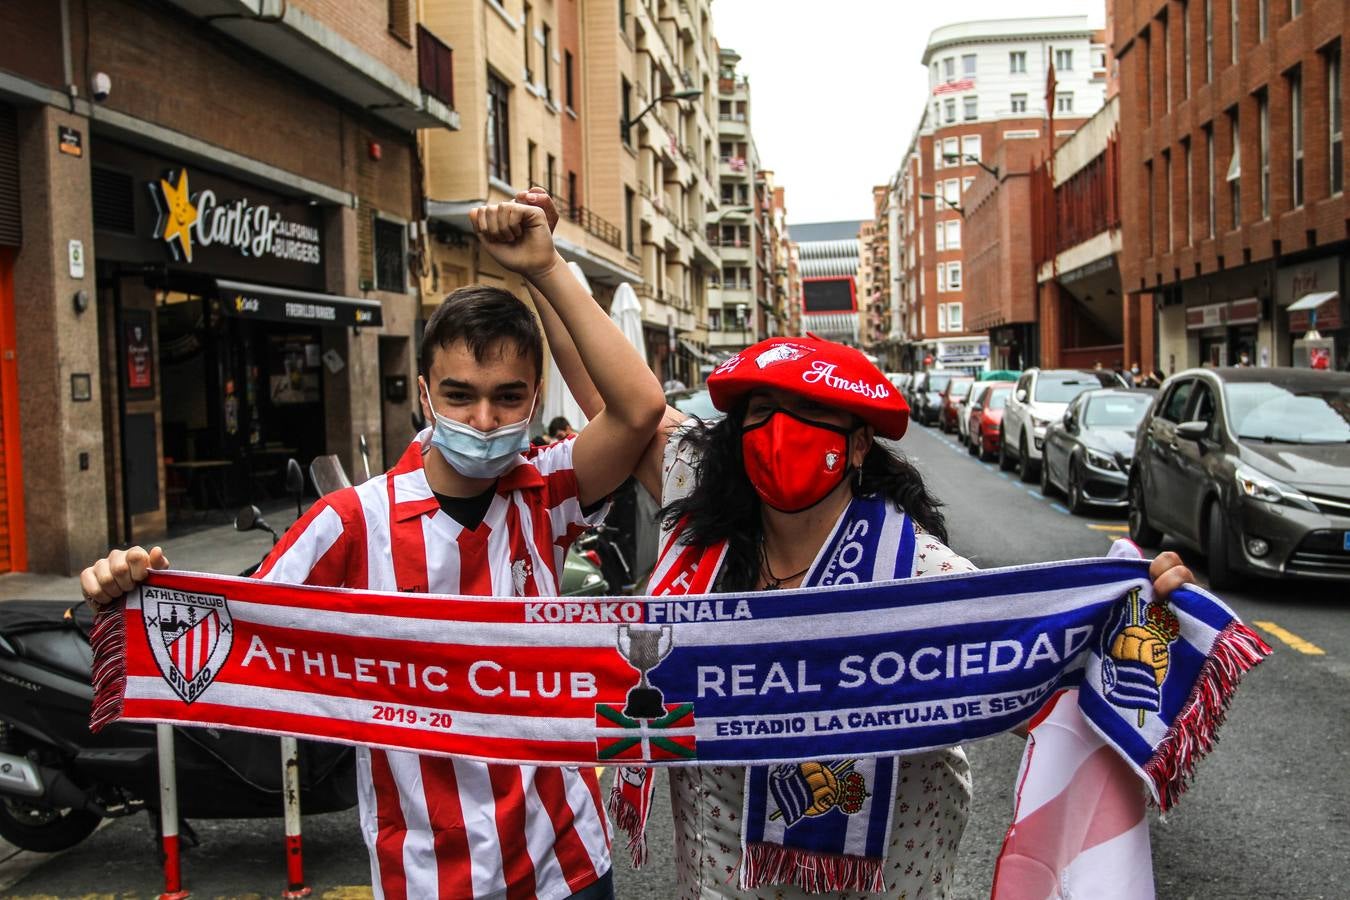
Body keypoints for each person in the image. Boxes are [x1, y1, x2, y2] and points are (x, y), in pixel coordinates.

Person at [79, 199, 668, 899]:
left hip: (569, 860)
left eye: (509, 398)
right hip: (430, 876)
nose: (484, 420)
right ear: (424, 395)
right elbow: (228, 639)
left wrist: (545, 266)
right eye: (460, 395)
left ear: (536, 399)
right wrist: (138, 592)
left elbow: (638, 411)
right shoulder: (351, 522)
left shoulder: (545, 489)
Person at [547, 324, 1194, 896]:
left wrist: (1135, 618)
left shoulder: (919, 579)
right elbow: (621, 408)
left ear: (857, 446)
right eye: (762, 410)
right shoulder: (704, 537)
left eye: (806, 414)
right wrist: (543, 267)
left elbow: (1054, 682)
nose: (778, 432)